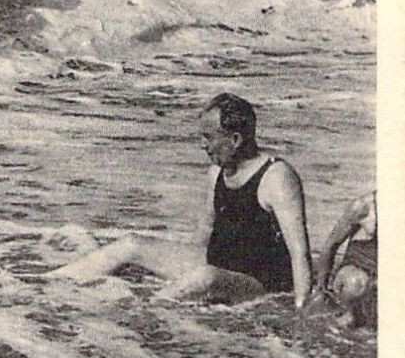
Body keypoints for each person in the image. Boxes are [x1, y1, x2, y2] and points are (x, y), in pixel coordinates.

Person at [48, 93, 313, 308]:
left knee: (205, 277)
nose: (202, 144)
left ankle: (142, 312)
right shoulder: (217, 171)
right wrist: (175, 270)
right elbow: (204, 233)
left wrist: (301, 310)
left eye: (209, 137)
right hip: (218, 263)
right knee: (131, 245)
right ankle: (47, 287)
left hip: (260, 282)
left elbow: (299, 254)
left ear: (235, 139)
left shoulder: (277, 177)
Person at [314, 190, 376, 327]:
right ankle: (346, 317)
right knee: (355, 282)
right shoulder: (364, 207)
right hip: (357, 274)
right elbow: (330, 246)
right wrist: (320, 291)